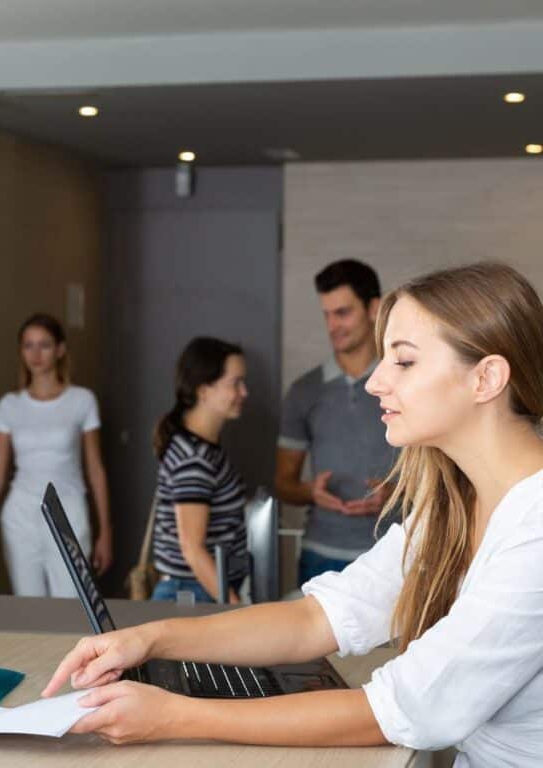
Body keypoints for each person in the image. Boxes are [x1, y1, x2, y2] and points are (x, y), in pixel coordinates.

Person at [43, 262, 543, 765]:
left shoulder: (536, 528)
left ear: (487, 378)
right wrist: (150, 638)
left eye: (404, 362)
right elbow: (315, 620)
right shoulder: (451, 508)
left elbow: (397, 710)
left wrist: (174, 716)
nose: (376, 382)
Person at [0, 313, 112, 597]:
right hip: (20, 514)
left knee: (73, 602)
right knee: (28, 605)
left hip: (69, 510)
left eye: (44, 345)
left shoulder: (82, 400)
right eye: (28, 345)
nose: (35, 354)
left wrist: (106, 530)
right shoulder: (9, 405)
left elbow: (95, 469)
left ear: (60, 350)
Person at [275, 259, 396, 584]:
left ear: (374, 308)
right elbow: (283, 482)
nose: (332, 325)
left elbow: (441, 470)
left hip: (394, 552)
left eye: (342, 313)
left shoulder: (403, 383)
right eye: (326, 314)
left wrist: (396, 493)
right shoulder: (304, 391)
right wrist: (310, 492)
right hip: (320, 557)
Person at [149, 337, 249, 604]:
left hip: (200, 590)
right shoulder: (194, 459)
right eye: (235, 383)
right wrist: (234, 607)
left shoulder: (203, 449)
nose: (244, 393)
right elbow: (192, 549)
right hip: (194, 593)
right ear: (203, 390)